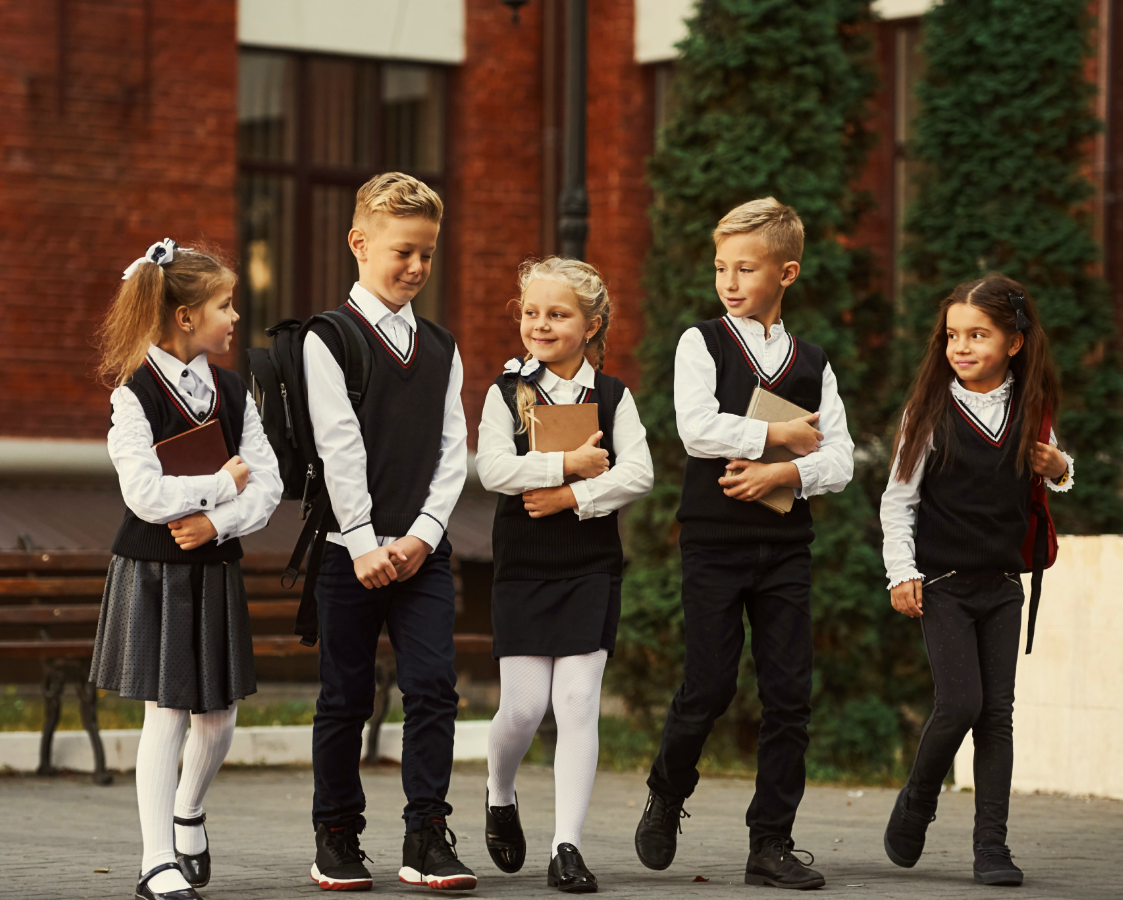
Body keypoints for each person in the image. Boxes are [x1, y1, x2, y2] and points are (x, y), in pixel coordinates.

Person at [634, 198, 854, 890]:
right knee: (710, 684)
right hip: (714, 543)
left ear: (786, 273)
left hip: (787, 548)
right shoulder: (701, 342)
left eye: (747, 268)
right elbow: (697, 429)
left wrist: (786, 472)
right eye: (721, 266)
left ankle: (771, 844)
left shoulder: (815, 362)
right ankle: (668, 791)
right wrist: (780, 436)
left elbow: (841, 461)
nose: (729, 281)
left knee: (790, 696)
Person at [89, 239, 284, 900]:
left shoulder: (232, 390)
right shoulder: (132, 395)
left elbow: (268, 483)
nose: (235, 318)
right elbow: (142, 495)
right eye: (225, 306)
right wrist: (220, 486)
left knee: (219, 718)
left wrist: (215, 519)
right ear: (184, 317)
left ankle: (189, 811)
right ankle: (155, 863)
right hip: (156, 571)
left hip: (213, 562)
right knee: (167, 713)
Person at [303, 173, 475, 892]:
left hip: (421, 554)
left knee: (433, 688)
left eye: (428, 255)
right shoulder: (328, 338)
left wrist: (425, 534)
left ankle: (426, 836)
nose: (416, 268)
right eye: (404, 251)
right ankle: (336, 838)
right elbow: (339, 448)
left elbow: (452, 448)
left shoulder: (441, 346)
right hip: (350, 554)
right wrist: (369, 540)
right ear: (359, 242)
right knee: (344, 697)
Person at [880, 274, 1072, 887]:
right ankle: (918, 800)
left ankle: (992, 847)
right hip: (942, 583)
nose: (960, 347)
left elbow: (1054, 474)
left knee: (997, 716)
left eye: (978, 335)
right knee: (961, 702)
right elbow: (898, 500)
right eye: (952, 336)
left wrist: (1059, 466)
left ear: (1014, 342)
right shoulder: (929, 411)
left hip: (1002, 587)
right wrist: (901, 572)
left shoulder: (1032, 407)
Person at [476, 257, 654, 893]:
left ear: (591, 325)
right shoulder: (505, 393)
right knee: (523, 709)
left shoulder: (614, 396)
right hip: (523, 567)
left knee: (577, 704)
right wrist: (566, 466)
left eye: (557, 314)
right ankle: (500, 792)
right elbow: (493, 469)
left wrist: (575, 497)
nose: (540, 324)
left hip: (589, 566)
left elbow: (639, 474)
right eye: (531, 312)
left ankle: (567, 847)